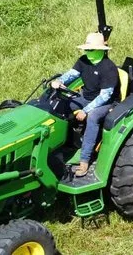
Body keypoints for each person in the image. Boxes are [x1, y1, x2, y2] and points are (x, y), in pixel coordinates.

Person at [51, 32, 121, 177]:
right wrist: (60, 81)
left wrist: (86, 110)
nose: (87, 52)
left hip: (107, 103)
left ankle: (84, 160)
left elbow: (105, 96)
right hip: (86, 97)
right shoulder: (83, 61)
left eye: (90, 49)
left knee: (93, 117)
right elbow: (72, 74)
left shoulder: (109, 68)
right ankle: (63, 144)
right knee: (61, 106)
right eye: (87, 49)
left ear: (100, 50)